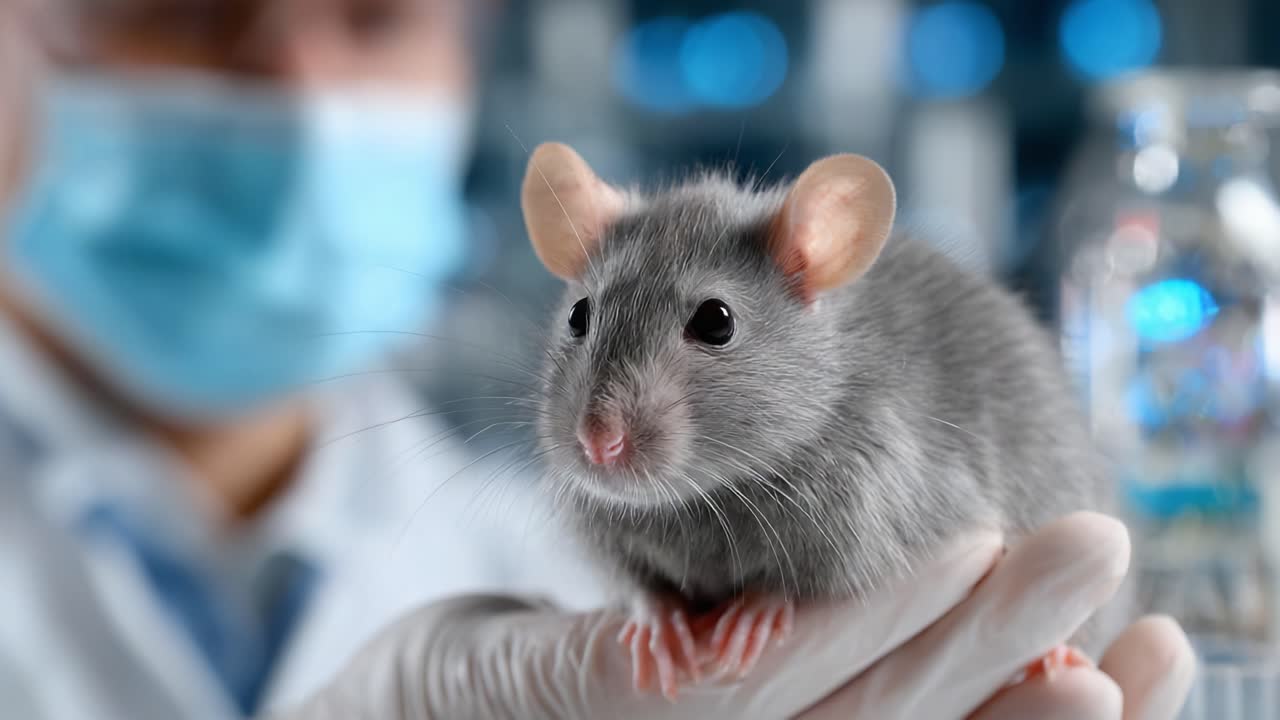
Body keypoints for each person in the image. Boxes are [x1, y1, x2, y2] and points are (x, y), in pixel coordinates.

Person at [0, 1, 1194, 718]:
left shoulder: (499, 529)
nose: (302, 94)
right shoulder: (529, 574)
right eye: (190, 6)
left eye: (375, 15)